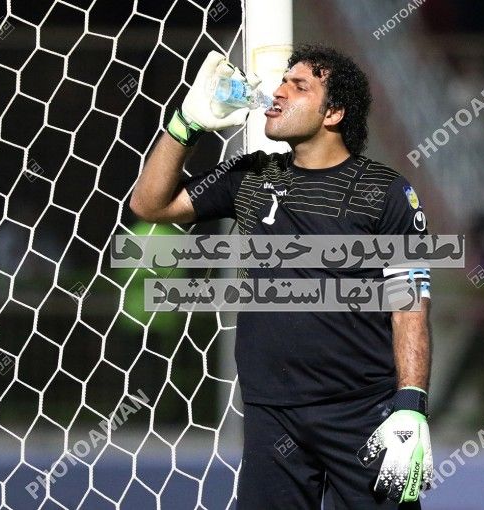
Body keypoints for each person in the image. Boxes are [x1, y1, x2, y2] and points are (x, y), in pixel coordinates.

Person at [130, 44, 433, 509]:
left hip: (362, 411)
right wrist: (185, 125)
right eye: (282, 82)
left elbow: (409, 303)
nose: (279, 92)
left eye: (299, 86)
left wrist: (411, 402)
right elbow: (149, 205)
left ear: (333, 113)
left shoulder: (384, 191)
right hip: (272, 413)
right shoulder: (250, 176)